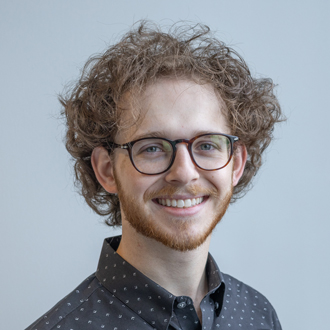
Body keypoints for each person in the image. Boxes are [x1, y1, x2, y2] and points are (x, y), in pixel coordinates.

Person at [26, 21, 284, 330]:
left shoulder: (257, 314)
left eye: (206, 145)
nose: (185, 173)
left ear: (236, 164)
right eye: (152, 148)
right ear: (107, 170)